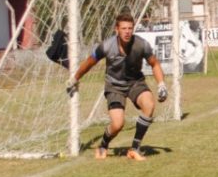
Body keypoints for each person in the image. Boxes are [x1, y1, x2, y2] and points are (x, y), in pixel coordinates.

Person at [66, 9, 167, 160]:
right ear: (117, 29)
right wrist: (75, 78)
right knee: (118, 124)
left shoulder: (142, 45)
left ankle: (134, 149)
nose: (127, 32)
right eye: (123, 28)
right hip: (114, 86)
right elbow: (89, 63)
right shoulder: (106, 46)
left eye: (130, 28)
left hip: (135, 83)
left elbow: (154, 64)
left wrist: (161, 84)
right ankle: (103, 145)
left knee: (149, 105)